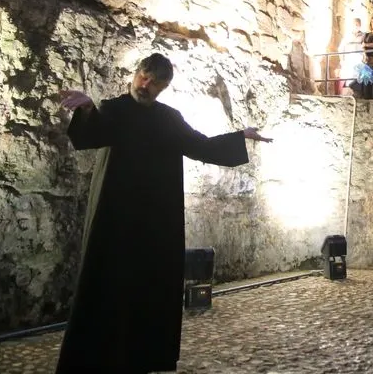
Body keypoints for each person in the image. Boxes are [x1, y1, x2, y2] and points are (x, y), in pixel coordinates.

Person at [54, 53, 271, 374]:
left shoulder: (169, 118)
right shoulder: (113, 110)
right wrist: (87, 108)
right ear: (136, 73)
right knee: (106, 285)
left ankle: (143, 358)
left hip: (155, 223)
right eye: (144, 76)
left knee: (149, 289)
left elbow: (201, 146)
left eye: (155, 82)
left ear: (164, 88)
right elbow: (90, 135)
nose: (146, 85)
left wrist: (240, 136)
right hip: (114, 222)